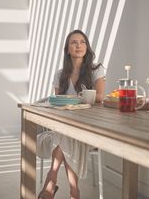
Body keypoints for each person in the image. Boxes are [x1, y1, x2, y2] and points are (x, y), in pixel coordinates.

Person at [37, 29, 105, 199]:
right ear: (68, 49)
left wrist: (75, 100)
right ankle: (74, 192)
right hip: (64, 127)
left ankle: (51, 180)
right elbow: (57, 104)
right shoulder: (60, 74)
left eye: (82, 42)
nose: (78, 45)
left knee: (64, 137)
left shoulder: (96, 69)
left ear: (87, 47)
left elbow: (100, 97)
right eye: (73, 42)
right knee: (65, 135)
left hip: (88, 127)